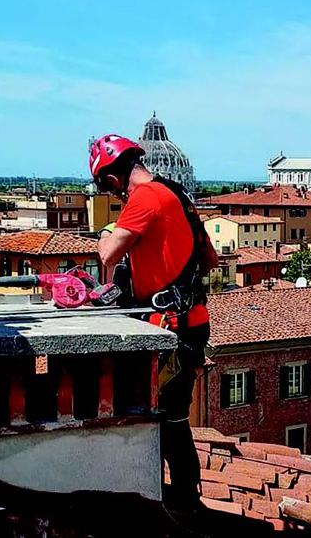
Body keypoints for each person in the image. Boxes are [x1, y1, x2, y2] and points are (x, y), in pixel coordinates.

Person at [89, 133, 218, 511]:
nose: (115, 197)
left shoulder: (143, 197)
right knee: (173, 412)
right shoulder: (178, 196)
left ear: (112, 179)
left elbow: (109, 255)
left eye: (110, 191)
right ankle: (183, 497)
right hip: (192, 322)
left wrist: (107, 231)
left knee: (160, 414)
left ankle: (177, 504)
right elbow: (209, 260)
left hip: (169, 327)